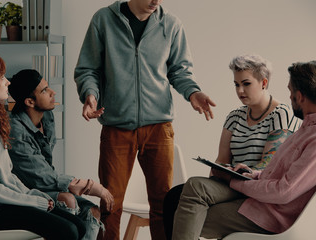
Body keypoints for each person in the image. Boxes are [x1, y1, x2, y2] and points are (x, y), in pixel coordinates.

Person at [74, 0, 216, 239]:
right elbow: (88, 68)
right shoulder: (104, 20)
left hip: (159, 127)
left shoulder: (171, 24)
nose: (156, 1)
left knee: (163, 204)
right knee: (111, 203)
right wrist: (90, 94)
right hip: (117, 127)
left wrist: (193, 92)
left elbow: (180, 70)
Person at [171, 60, 316, 240]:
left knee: (180, 213)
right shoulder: (305, 129)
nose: (240, 90)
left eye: (290, 92)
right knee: (190, 191)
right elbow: (273, 172)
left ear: (300, 96)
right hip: (258, 197)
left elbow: (283, 191)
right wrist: (250, 173)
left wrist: (236, 182)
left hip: (269, 215)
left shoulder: (304, 131)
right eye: (236, 84)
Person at [0, 53, 86, 240]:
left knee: (79, 225)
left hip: (4, 202)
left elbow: (7, 176)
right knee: (68, 231)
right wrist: (32, 201)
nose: (7, 82)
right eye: (1, 77)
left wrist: (34, 195)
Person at [7, 69, 115, 240]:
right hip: (25, 192)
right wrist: (87, 185)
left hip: (45, 186)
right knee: (67, 200)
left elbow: (45, 170)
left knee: (92, 211)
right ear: (29, 101)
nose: (52, 92)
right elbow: (38, 176)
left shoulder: (47, 116)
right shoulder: (15, 131)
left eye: (48, 87)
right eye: (44, 90)